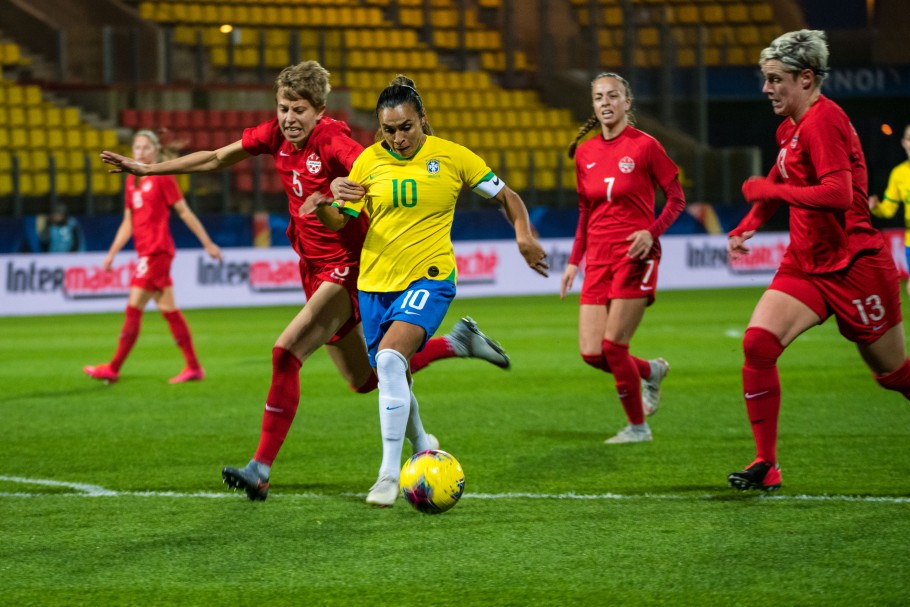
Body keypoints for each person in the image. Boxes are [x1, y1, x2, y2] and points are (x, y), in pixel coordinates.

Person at [100, 62, 511, 501]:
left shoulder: (335, 142)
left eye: (299, 109)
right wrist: (147, 172)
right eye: (283, 108)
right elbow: (217, 157)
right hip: (314, 270)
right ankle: (455, 344)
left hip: (351, 269)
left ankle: (260, 468)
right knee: (366, 379)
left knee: (285, 352)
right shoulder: (274, 135)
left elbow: (377, 166)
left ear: (319, 111)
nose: (289, 118)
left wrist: (347, 188)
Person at [321, 75, 549, 507]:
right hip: (374, 285)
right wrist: (331, 201)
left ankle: (388, 476)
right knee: (395, 376)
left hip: (430, 277)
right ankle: (424, 445)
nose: (398, 137)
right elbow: (340, 221)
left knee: (389, 361)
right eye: (389, 130)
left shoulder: (453, 157)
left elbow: (509, 196)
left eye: (406, 127)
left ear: (422, 119)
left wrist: (523, 234)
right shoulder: (369, 162)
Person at [727, 30, 910, 492]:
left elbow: (838, 194)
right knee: (758, 345)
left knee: (894, 376)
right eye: (765, 79)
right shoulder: (791, 125)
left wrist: (770, 193)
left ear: (806, 78)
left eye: (775, 80)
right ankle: (766, 464)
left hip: (855, 266)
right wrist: (752, 218)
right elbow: (778, 175)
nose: (766, 89)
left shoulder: (823, 122)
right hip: (806, 264)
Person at [560, 72, 685, 445]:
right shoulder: (585, 153)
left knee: (614, 347)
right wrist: (573, 261)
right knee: (592, 353)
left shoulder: (646, 146)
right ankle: (651, 371)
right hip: (597, 259)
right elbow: (585, 212)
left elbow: (676, 199)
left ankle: (637, 428)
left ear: (627, 103)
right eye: (599, 98)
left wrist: (652, 232)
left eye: (613, 96)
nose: (605, 103)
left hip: (634, 255)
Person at [85, 130, 223, 384]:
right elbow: (129, 222)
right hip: (146, 252)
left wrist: (208, 243)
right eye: (137, 147)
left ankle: (113, 367)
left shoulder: (162, 178)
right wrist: (112, 254)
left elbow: (184, 212)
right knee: (168, 309)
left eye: (146, 148)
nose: (140, 152)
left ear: (156, 151)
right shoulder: (130, 181)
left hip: (157, 252)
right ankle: (193, 367)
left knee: (133, 307)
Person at [869, 123, 910, 296]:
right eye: (909, 139)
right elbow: (888, 210)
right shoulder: (898, 174)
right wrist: (876, 208)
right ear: (903, 143)